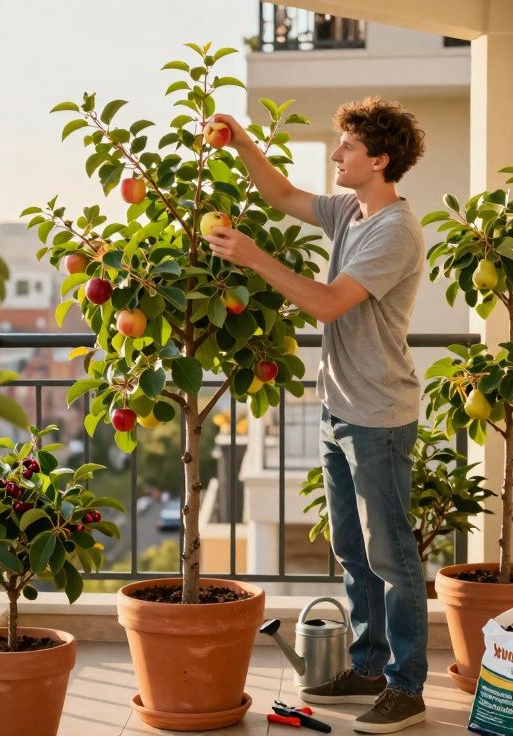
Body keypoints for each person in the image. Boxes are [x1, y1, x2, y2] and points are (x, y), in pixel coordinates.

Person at [202, 98, 428, 734]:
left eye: (348, 148)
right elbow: (280, 194)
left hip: (378, 414)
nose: (336, 155)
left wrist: (252, 258)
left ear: (379, 160)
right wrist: (241, 138)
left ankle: (407, 689)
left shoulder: (393, 231)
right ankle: (368, 664)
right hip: (338, 408)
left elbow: (328, 304)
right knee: (352, 550)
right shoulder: (351, 211)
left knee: (392, 557)